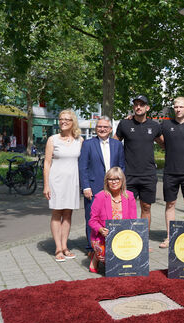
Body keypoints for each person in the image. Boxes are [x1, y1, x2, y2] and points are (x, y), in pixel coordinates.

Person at [114, 95, 163, 240]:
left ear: (147, 108)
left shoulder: (154, 126)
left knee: (146, 207)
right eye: (136, 105)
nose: (138, 107)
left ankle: (143, 239)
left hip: (148, 175)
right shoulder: (124, 124)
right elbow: (114, 144)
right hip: (129, 174)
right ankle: (126, 240)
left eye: (142, 105)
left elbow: (165, 144)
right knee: (127, 208)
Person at [78, 116, 125, 256]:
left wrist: (120, 185)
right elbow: (83, 167)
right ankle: (92, 248)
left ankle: (112, 245)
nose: (102, 129)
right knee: (92, 217)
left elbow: (122, 166)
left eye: (105, 127)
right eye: (99, 127)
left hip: (114, 186)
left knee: (113, 215)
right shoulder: (88, 144)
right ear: (96, 129)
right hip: (93, 187)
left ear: (111, 130)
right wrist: (85, 186)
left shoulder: (117, 145)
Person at [43, 109, 84, 262]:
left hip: (73, 182)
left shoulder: (79, 140)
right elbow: (47, 163)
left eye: (67, 119)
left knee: (68, 214)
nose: (63, 121)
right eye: (61, 119)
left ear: (73, 122)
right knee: (57, 213)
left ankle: (65, 246)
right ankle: (58, 248)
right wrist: (46, 185)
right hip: (56, 181)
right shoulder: (53, 139)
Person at [160, 97, 184, 248]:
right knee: (170, 204)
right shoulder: (165, 125)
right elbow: (156, 136)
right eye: (176, 107)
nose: (178, 109)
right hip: (170, 172)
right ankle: (170, 236)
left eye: (181, 107)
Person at [88, 167, 137, 272]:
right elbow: (92, 220)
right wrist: (100, 229)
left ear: (122, 180)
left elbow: (133, 220)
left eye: (117, 179)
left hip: (123, 237)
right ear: (107, 181)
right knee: (108, 260)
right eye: (110, 179)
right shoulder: (100, 197)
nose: (114, 182)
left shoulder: (130, 196)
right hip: (102, 237)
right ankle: (96, 257)